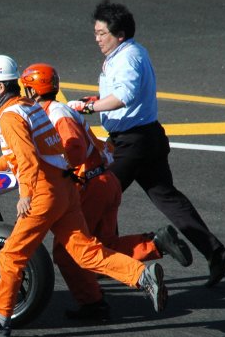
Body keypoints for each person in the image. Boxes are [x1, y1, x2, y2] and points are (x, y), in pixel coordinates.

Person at [0, 55, 168, 337]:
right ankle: (140, 275)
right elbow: (44, 148)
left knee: (12, 254)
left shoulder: (10, 116)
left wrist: (25, 194)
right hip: (66, 190)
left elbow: (26, 159)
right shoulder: (30, 108)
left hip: (43, 193)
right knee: (85, 252)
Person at [68, 0, 225, 287]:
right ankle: (214, 251)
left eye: (102, 33)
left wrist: (89, 109)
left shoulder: (128, 57)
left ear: (119, 34)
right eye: (95, 32)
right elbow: (120, 96)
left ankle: (110, 256)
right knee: (167, 198)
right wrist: (95, 101)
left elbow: (125, 96)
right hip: (145, 138)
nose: (97, 39)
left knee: (100, 192)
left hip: (134, 143)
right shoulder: (124, 54)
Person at [20, 62, 193, 322]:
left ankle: (96, 303)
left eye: (26, 88)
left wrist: (61, 170)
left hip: (90, 187)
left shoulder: (54, 114)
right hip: (104, 181)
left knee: (68, 254)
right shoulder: (60, 110)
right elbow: (100, 146)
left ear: (33, 90)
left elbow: (75, 148)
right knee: (103, 247)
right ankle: (155, 244)